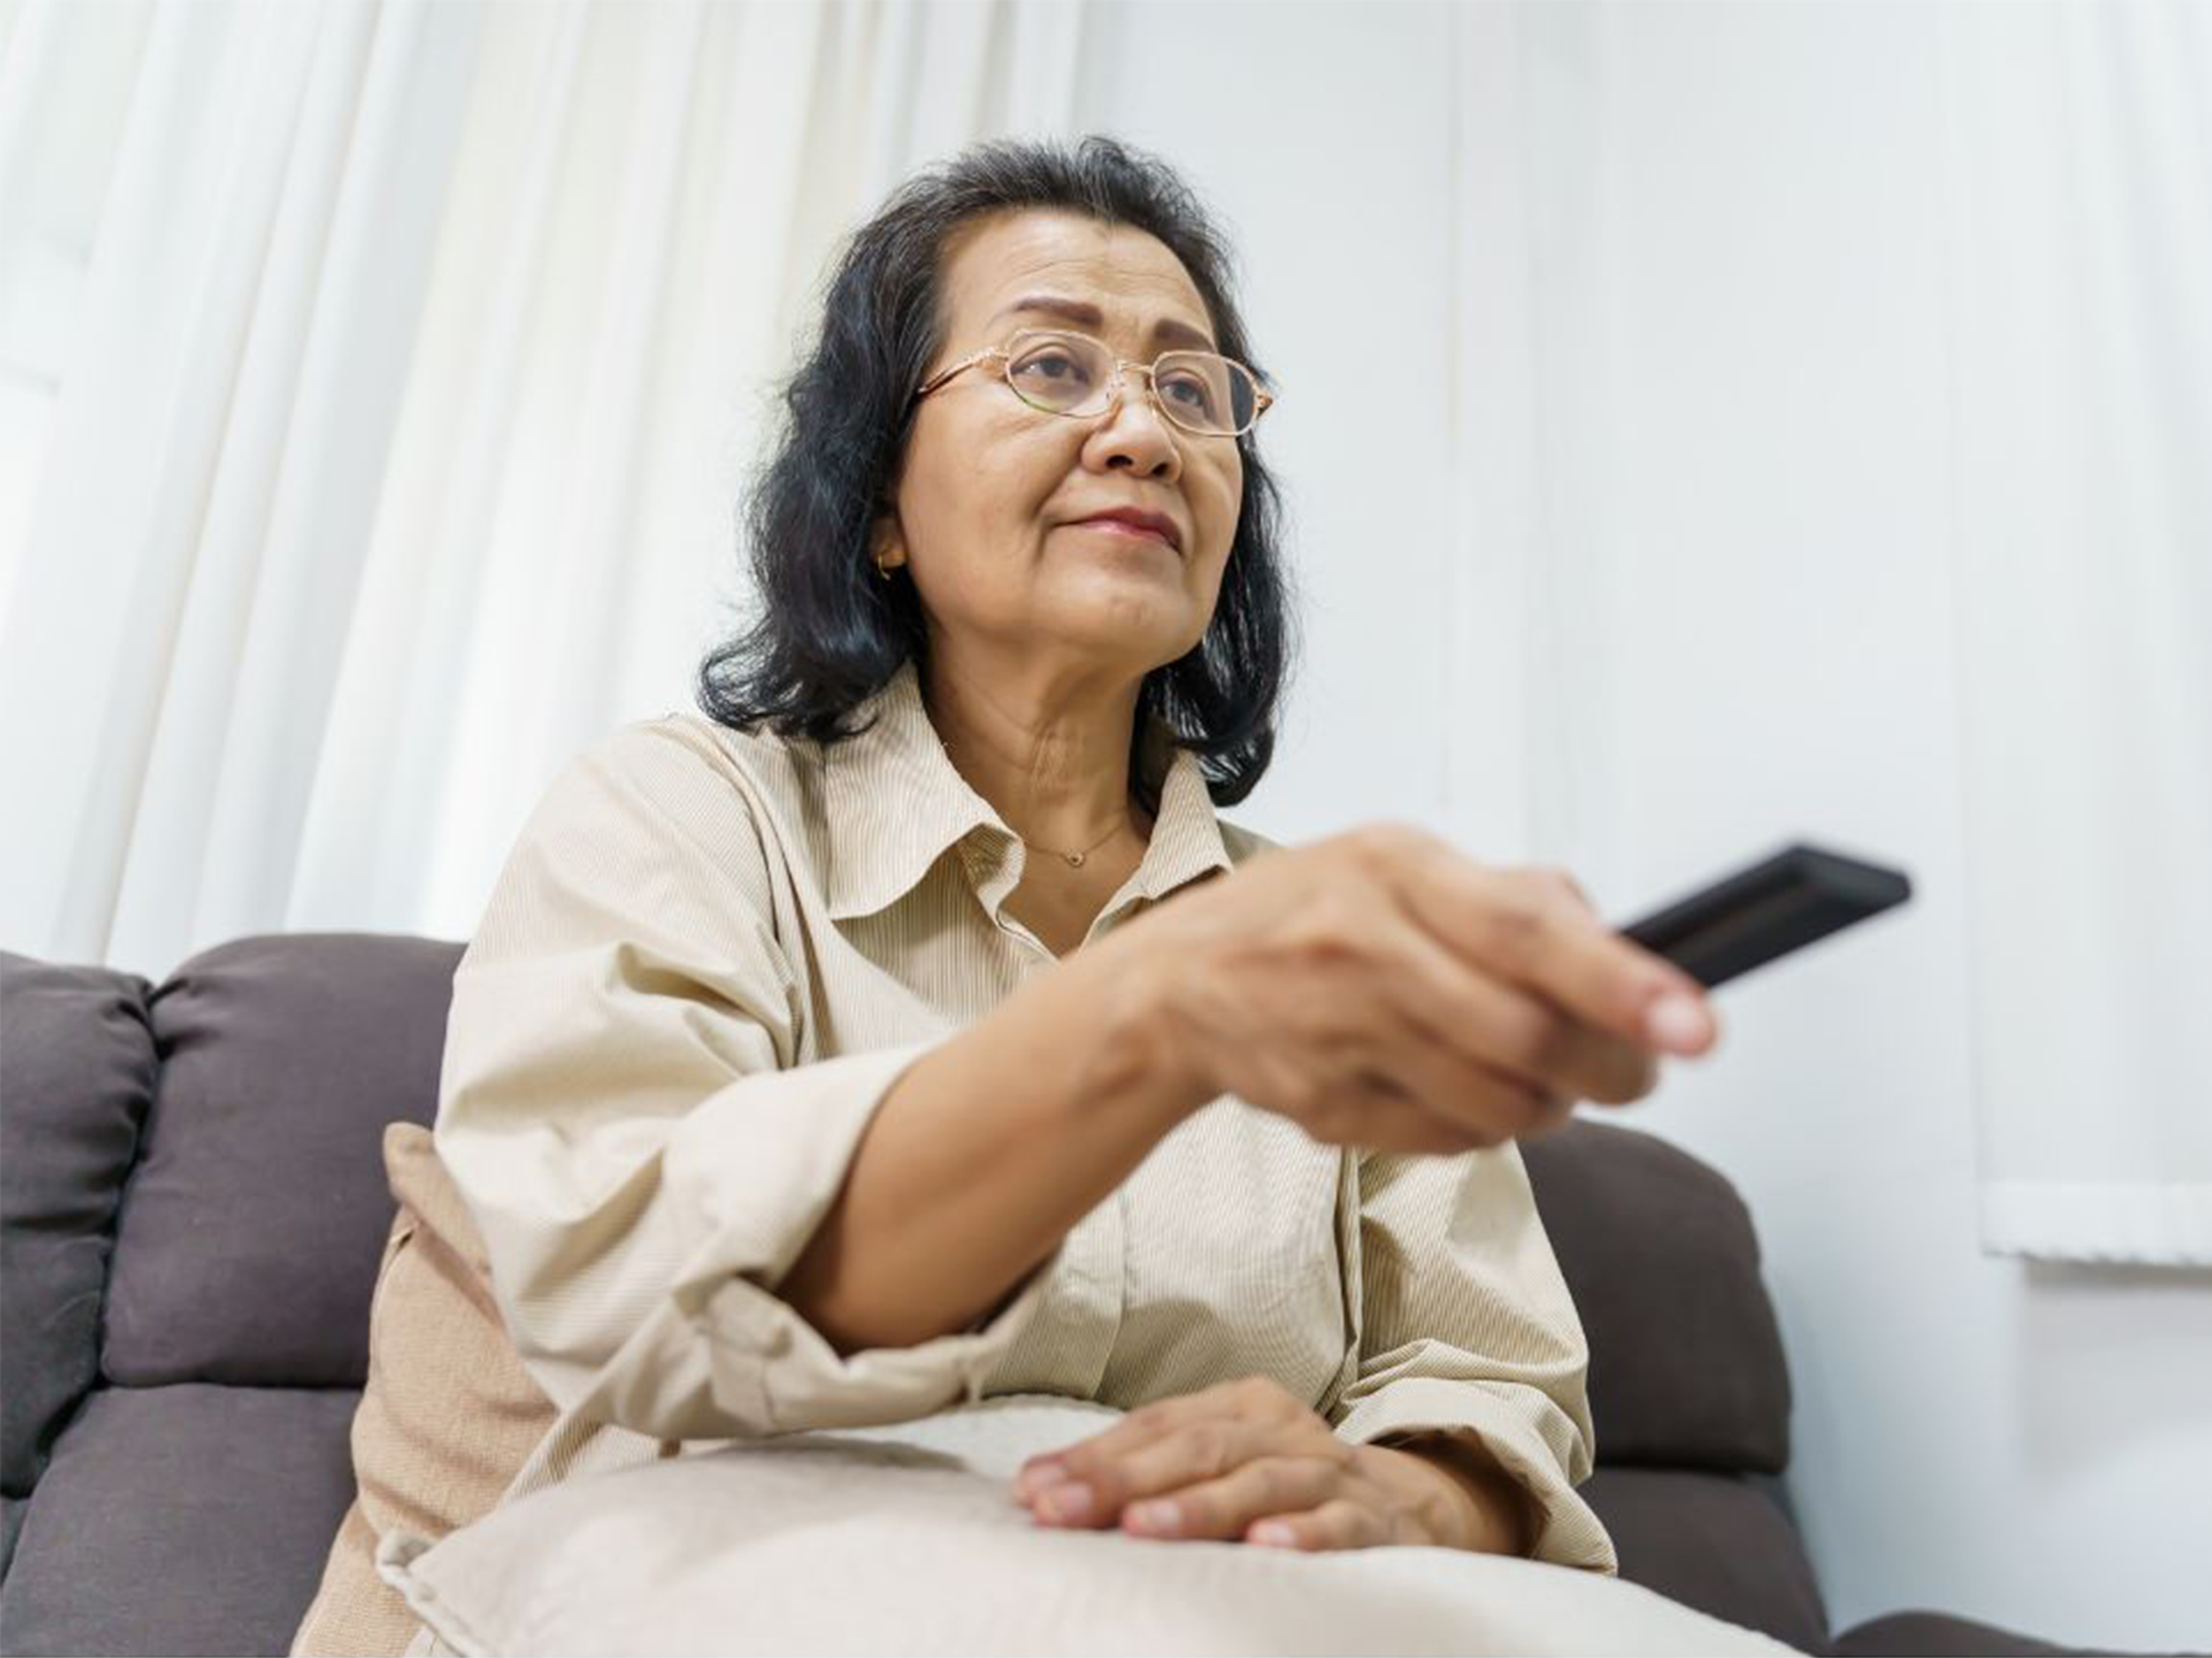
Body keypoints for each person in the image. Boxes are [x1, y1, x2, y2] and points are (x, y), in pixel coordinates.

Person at [326, 134, 1725, 1652]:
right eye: (1052, 367)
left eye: (1192, 389)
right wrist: (1156, 1012)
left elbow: (1493, 1385)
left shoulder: (1305, 931)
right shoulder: (676, 817)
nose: (1143, 432)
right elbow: (650, 1296)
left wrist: (1395, 1493)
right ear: (878, 500)